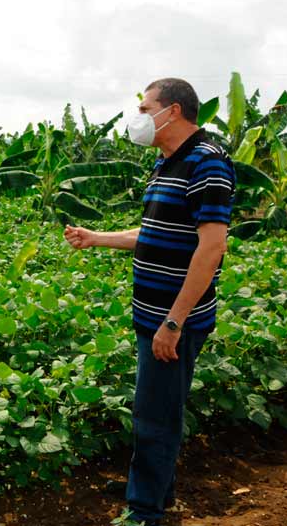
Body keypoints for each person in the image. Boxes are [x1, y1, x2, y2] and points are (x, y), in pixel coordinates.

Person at [64, 78, 235, 526]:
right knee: (154, 406)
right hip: (153, 314)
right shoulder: (167, 163)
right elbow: (157, 233)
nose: (138, 117)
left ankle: (144, 512)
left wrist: (174, 322)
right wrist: (97, 238)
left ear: (173, 111)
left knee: (155, 414)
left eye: (145, 108)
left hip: (172, 320)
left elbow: (211, 248)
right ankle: (156, 490)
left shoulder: (207, 163)